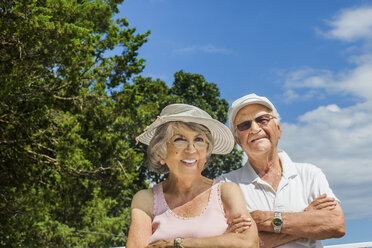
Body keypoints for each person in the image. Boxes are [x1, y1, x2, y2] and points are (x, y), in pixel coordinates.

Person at [218, 94, 345, 247]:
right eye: (244, 125)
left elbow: (336, 225)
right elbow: (232, 244)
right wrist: (306, 221)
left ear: (278, 129)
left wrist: (261, 219)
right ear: (238, 140)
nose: (255, 128)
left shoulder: (309, 174)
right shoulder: (225, 184)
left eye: (262, 120)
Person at [126, 103, 259, 248]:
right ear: (161, 154)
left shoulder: (226, 191)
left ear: (206, 154)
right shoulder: (146, 199)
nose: (191, 149)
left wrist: (178, 243)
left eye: (199, 140)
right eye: (179, 139)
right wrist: (224, 240)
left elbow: (249, 243)